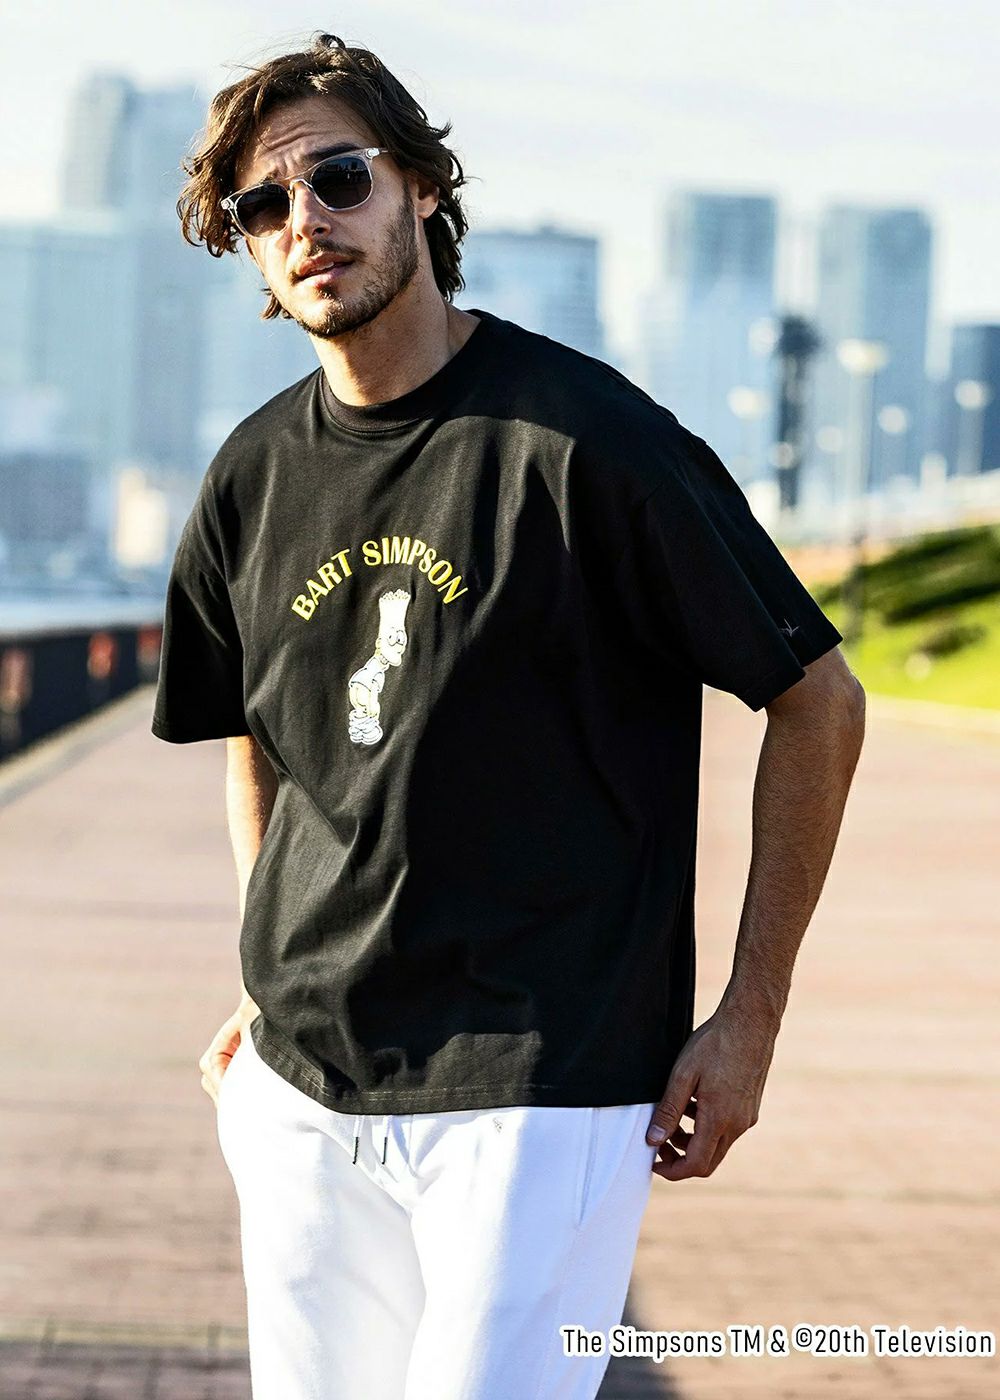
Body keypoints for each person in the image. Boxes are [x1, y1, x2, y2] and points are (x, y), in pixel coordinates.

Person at [151, 30, 866, 1400]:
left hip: (543, 1083)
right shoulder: (250, 477)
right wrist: (263, 971)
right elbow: (259, 734)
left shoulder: (589, 441)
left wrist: (749, 1018)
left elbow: (817, 701)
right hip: (302, 1091)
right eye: (263, 205)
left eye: (339, 177)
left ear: (421, 186)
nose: (306, 221)